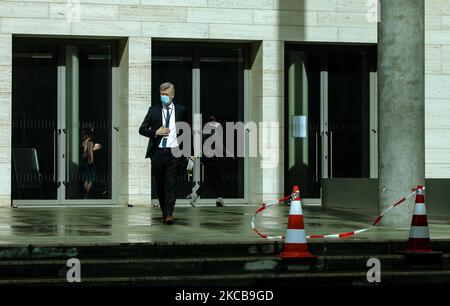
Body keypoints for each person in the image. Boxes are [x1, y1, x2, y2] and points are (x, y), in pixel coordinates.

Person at [139, 82, 188, 225]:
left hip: (174, 152)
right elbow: (142, 129)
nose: (164, 97)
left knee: (171, 184)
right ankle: (163, 211)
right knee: (160, 185)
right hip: (158, 153)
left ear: (173, 95)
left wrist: (189, 152)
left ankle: (169, 214)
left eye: (167, 94)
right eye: (162, 95)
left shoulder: (181, 110)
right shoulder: (153, 110)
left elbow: (186, 131)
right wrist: (155, 132)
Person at [187, 116, 225, 208]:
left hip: (206, 158)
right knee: (210, 179)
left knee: (217, 178)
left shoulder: (203, 132)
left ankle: (219, 199)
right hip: (213, 158)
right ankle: (195, 195)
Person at [80, 127, 101, 199]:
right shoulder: (90, 141)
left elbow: (85, 152)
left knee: (86, 179)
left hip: (84, 161)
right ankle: (87, 195)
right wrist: (91, 161)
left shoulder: (83, 142)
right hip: (89, 162)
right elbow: (90, 152)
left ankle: (85, 194)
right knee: (90, 179)